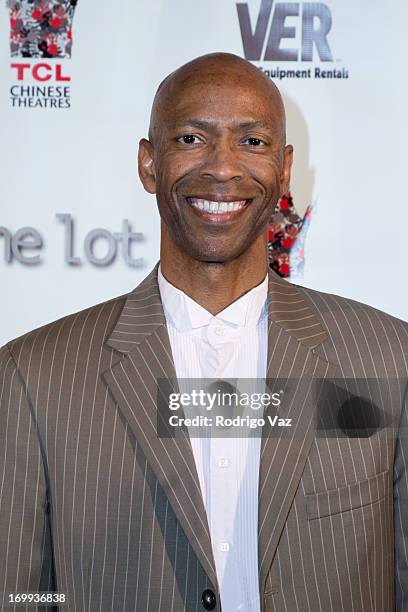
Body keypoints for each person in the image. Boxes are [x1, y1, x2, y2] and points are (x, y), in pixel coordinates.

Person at [0, 52, 407, 612]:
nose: (222, 167)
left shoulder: (388, 358)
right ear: (148, 164)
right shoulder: (34, 377)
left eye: (253, 142)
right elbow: (18, 594)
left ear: (285, 169)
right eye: (192, 139)